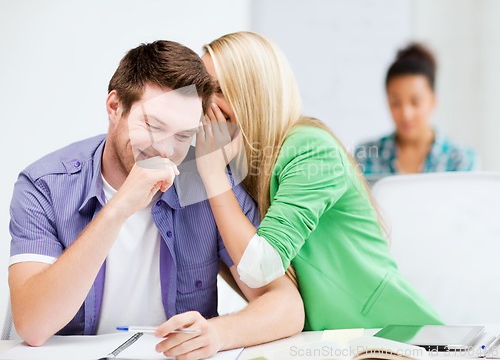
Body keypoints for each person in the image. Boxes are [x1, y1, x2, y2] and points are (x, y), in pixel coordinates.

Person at [8, 40, 304, 359]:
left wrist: (220, 333)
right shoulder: (45, 185)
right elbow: (33, 326)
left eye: (182, 136)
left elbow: (286, 304)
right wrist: (119, 208)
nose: (166, 150)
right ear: (114, 107)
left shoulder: (205, 183)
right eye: (153, 126)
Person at [195, 31, 442, 331]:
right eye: (203, 91)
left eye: (220, 90)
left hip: (396, 337)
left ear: (254, 94)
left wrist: (212, 175)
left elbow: (259, 268)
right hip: (328, 342)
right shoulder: (242, 166)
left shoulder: (311, 149)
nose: (207, 107)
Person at [355, 43, 479, 176]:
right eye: (395, 103)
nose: (406, 114)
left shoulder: (461, 160)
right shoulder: (365, 156)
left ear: (433, 101)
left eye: (415, 102)